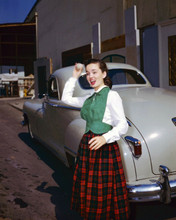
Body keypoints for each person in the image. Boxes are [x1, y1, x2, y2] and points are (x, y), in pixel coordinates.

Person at [61, 59, 129, 219]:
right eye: (88, 73)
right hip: (87, 147)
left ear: (104, 74)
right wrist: (74, 77)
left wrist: (105, 138)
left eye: (94, 72)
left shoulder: (112, 96)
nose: (90, 76)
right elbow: (66, 99)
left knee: (103, 192)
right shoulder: (89, 97)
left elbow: (123, 125)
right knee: (89, 190)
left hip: (105, 148)